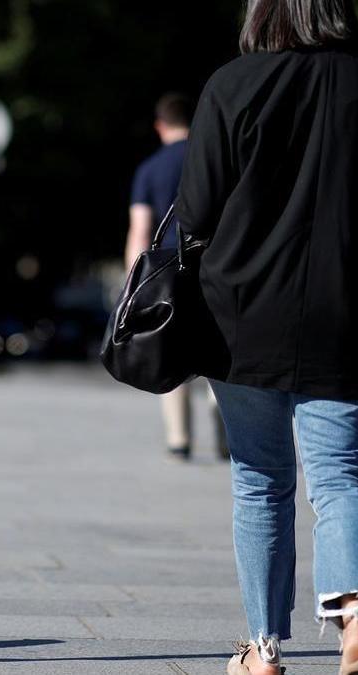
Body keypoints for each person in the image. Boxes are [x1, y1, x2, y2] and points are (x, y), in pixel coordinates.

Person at [174, 1, 358, 673]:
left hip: (241, 316)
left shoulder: (233, 84)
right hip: (349, 313)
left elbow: (195, 210)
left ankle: (263, 648)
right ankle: (354, 628)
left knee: (259, 478)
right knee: (341, 474)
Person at [125, 93, 227, 462]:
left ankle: (179, 439)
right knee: (217, 352)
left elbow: (140, 230)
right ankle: (226, 434)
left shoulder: (150, 169)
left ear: (159, 125)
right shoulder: (214, 160)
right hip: (214, 266)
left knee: (171, 349)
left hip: (169, 272)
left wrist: (133, 281)